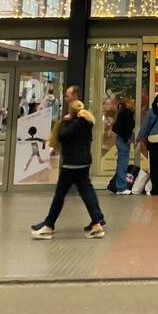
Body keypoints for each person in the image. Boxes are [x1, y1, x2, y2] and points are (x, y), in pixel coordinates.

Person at [31, 99, 104, 238]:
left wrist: (64, 121)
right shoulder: (87, 123)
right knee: (86, 193)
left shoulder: (72, 124)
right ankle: (97, 223)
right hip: (84, 162)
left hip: (71, 164)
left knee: (60, 195)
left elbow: (62, 136)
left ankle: (49, 225)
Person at [111, 97, 135, 194]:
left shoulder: (122, 113)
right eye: (131, 102)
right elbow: (125, 128)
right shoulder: (126, 114)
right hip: (123, 140)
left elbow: (116, 127)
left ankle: (119, 185)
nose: (133, 104)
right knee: (122, 164)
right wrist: (126, 138)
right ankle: (121, 187)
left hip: (122, 139)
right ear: (127, 104)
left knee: (121, 163)